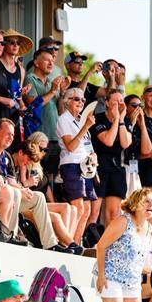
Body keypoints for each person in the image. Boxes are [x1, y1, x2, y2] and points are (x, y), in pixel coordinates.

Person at [0, 118, 73, 252]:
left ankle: (50, 244)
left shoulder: (6, 156)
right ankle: (11, 235)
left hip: (9, 195)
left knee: (39, 197)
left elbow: (12, 182)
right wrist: (20, 189)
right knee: (15, 193)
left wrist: (24, 190)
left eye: (13, 135)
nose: (11, 138)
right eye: (8, 134)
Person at [95, 188, 152, 302]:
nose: (151, 205)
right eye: (146, 201)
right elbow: (101, 246)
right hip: (111, 275)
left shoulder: (149, 227)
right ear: (136, 203)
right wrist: (101, 275)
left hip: (132, 279)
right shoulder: (123, 221)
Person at [57, 87, 96, 245]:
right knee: (77, 207)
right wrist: (86, 126)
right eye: (77, 99)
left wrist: (93, 155)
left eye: (83, 99)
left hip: (86, 167)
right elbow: (71, 146)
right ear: (67, 101)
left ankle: (77, 243)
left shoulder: (81, 120)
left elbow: (87, 146)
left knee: (86, 209)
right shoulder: (64, 119)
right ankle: (68, 243)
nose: (81, 102)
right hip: (71, 164)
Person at [90, 89, 132, 225]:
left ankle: (110, 238)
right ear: (107, 103)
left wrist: (121, 120)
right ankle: (87, 236)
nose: (120, 104)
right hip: (99, 166)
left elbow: (125, 143)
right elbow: (108, 140)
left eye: (121, 101)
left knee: (113, 212)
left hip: (116, 167)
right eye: (116, 101)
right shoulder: (98, 118)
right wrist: (115, 120)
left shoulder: (125, 120)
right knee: (94, 211)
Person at [24, 49, 65, 174]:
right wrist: (52, 91)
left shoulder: (51, 83)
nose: (51, 63)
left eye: (52, 60)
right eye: (47, 60)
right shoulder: (30, 78)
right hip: (38, 138)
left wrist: (62, 92)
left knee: (51, 176)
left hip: (54, 137)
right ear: (36, 62)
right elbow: (33, 104)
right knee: (37, 174)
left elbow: (60, 110)